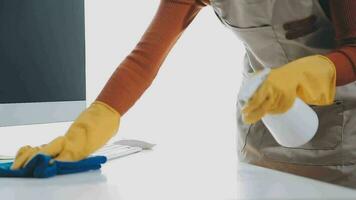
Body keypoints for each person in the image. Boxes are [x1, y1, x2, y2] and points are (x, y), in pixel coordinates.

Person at [11, 0, 356, 188]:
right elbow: (143, 59)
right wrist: (90, 126)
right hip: (264, 130)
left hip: (342, 136)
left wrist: (313, 72)